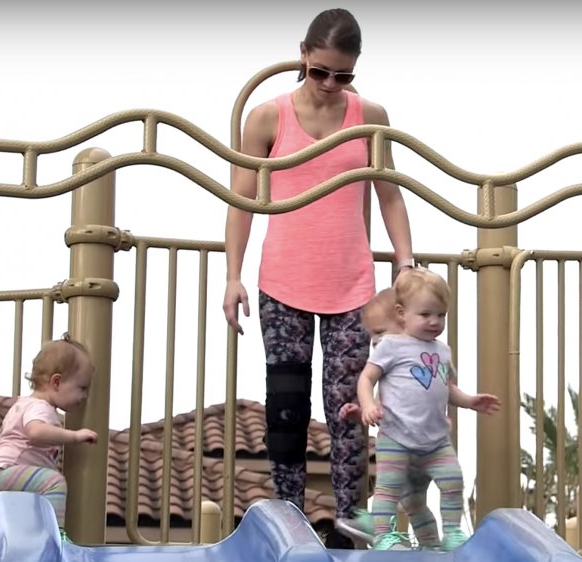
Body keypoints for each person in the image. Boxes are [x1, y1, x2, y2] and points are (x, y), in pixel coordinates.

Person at [222, 8, 415, 549]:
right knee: (287, 403)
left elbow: (390, 193)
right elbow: (241, 203)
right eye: (320, 72)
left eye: (343, 76)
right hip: (283, 281)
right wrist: (232, 276)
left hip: (351, 285)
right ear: (303, 55)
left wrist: (404, 261)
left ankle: (351, 521)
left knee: (349, 406)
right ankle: (290, 518)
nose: (330, 85)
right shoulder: (267, 118)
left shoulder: (370, 116)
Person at [335, 287, 500, 550]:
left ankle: (448, 536)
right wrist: (363, 408)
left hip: (433, 441)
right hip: (397, 439)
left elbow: (444, 387)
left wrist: (468, 401)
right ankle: (383, 535)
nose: (376, 340)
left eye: (380, 331)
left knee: (450, 481)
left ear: (402, 319)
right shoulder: (389, 349)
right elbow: (374, 387)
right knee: (393, 491)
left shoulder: (441, 351)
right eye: (373, 335)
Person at [0, 336, 99, 542]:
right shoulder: (39, 407)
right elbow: (36, 432)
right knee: (54, 483)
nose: (84, 396)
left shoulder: (24, 405)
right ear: (56, 382)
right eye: (82, 388)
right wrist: (75, 436)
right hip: (2, 474)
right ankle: (55, 536)